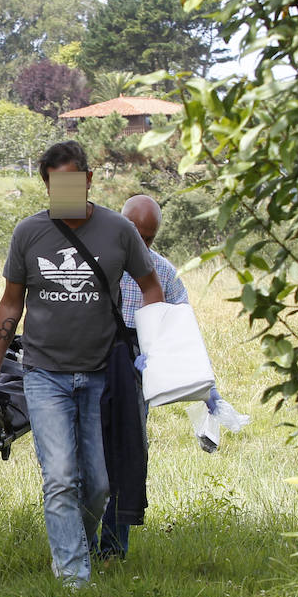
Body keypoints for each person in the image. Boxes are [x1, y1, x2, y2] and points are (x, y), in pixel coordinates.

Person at [0, 141, 163, 589]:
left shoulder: (119, 231)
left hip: (102, 375)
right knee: (59, 477)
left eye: (73, 182)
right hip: (44, 374)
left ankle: (80, 540)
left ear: (89, 179)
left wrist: (151, 343)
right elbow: (11, 303)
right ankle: (73, 578)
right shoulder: (29, 233)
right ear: (46, 185)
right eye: (56, 185)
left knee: (98, 484)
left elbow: (152, 286)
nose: (66, 192)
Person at [97, 193, 221, 559]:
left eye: (149, 238)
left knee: (128, 452)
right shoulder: (97, 261)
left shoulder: (163, 272)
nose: (141, 244)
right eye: (135, 234)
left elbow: (183, 331)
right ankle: (79, 545)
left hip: (137, 371)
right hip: (93, 362)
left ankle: (113, 550)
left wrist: (208, 388)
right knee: (89, 454)